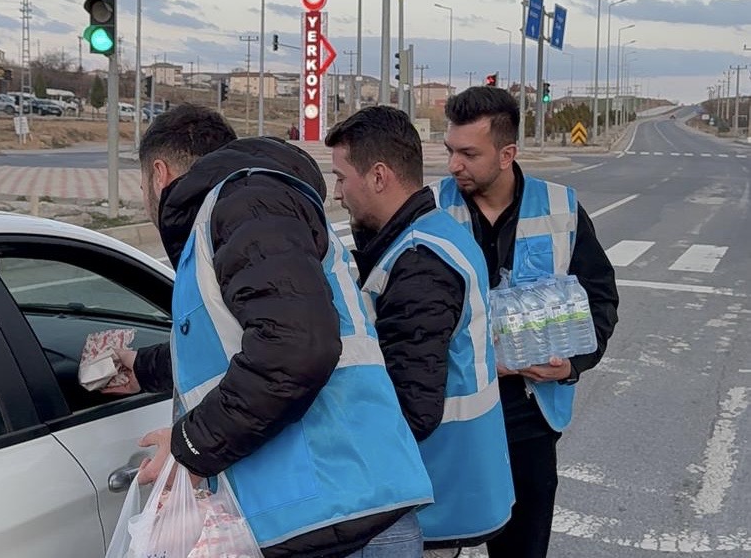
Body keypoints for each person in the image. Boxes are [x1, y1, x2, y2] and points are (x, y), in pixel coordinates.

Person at [108, 103, 434, 558]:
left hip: (338, 521)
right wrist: (141, 368)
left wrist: (189, 445)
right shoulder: (239, 215)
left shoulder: (247, 202)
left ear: (158, 174)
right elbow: (243, 340)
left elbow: (295, 348)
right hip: (331, 513)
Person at [435, 87, 619, 558]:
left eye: (468, 153)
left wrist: (573, 362)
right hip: (452, 411)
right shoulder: (434, 208)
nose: (454, 164)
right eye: (450, 150)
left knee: (522, 548)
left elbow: (599, 296)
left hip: (529, 416)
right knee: (435, 542)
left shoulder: (561, 209)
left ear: (506, 154)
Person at [325, 106, 513, 551]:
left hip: (430, 494)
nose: (336, 193)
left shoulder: (421, 264)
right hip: (444, 483)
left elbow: (412, 409)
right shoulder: (431, 231)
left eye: (340, 177)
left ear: (378, 176)